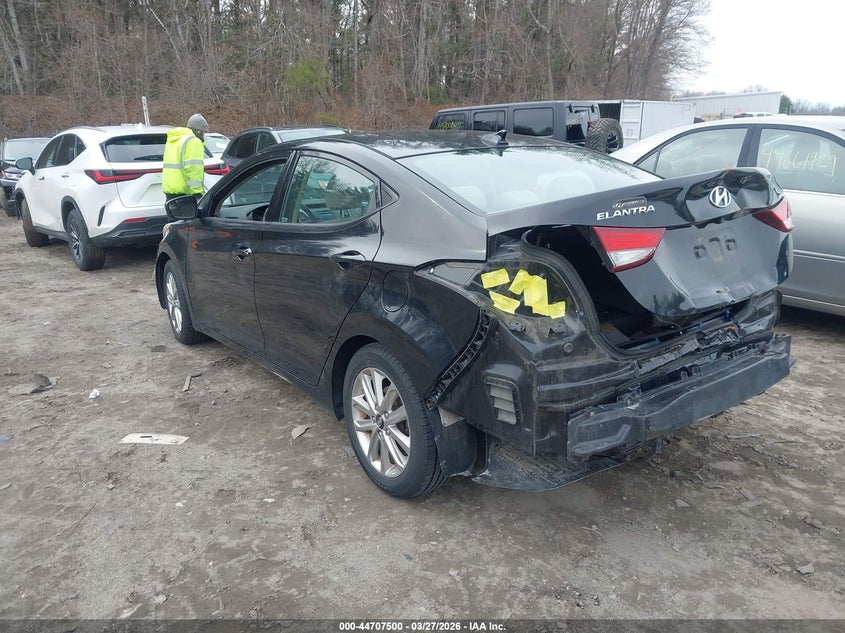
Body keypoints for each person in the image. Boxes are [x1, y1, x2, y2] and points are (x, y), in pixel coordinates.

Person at [162, 113, 209, 201]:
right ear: (200, 131)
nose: (204, 135)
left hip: (170, 193)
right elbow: (193, 168)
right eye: (204, 131)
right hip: (185, 195)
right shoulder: (194, 141)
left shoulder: (174, 140)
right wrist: (197, 193)